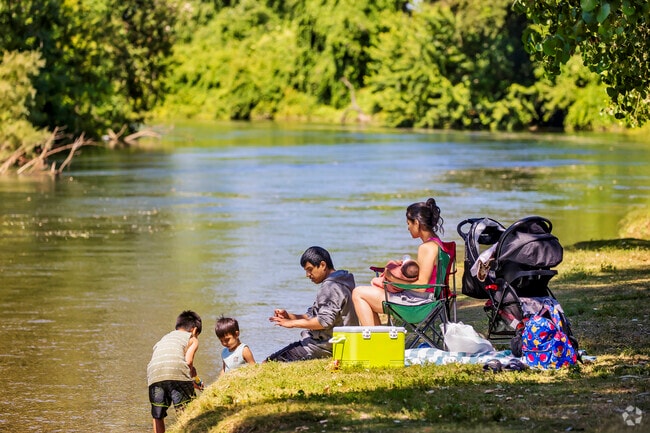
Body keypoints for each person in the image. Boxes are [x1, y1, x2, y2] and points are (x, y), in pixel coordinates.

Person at [352, 198, 445, 326]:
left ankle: (375, 342)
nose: (408, 228)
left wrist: (391, 279)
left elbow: (422, 286)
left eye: (409, 223)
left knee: (358, 293)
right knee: (366, 293)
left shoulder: (427, 248)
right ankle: (379, 339)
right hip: (427, 299)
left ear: (417, 223)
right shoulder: (436, 242)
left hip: (418, 305)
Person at [266, 246, 358, 362]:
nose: (307, 275)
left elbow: (323, 321)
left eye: (310, 269)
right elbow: (313, 316)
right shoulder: (341, 282)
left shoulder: (331, 287)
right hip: (327, 343)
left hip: (323, 347)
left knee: (268, 363)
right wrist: (288, 316)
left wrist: (292, 323)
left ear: (323, 265)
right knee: (272, 359)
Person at [147, 310, 203, 433]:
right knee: (185, 411)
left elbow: (168, 367)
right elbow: (188, 363)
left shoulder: (164, 338)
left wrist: (191, 378)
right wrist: (193, 377)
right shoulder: (192, 338)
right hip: (178, 373)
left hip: (154, 375)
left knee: (158, 415)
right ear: (194, 330)